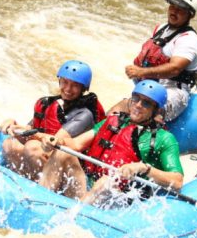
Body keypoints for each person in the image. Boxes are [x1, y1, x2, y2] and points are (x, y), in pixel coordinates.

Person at [39, 79, 183, 204]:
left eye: (146, 103)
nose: (138, 105)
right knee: (62, 153)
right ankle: (40, 200)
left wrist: (144, 168)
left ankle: (69, 219)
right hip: (87, 189)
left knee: (106, 182)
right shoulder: (113, 121)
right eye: (135, 98)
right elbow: (76, 144)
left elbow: (177, 181)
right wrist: (55, 141)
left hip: (119, 200)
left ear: (156, 110)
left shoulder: (164, 139)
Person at [1, 60, 105, 181]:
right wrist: (13, 124)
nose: (68, 89)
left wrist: (23, 132)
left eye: (75, 85)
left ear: (83, 88)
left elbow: (53, 143)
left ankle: (40, 188)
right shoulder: (49, 104)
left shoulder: (85, 114)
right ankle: (19, 180)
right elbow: (31, 128)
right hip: (45, 155)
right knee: (10, 143)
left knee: (33, 147)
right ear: (59, 81)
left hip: (66, 164)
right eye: (64, 82)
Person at [109, 0, 197, 122]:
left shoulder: (188, 39)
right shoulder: (162, 28)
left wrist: (141, 72)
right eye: (172, 6)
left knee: (144, 112)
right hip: (151, 87)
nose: (174, 11)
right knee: (116, 110)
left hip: (174, 91)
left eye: (180, 9)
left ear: (190, 15)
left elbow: (175, 68)